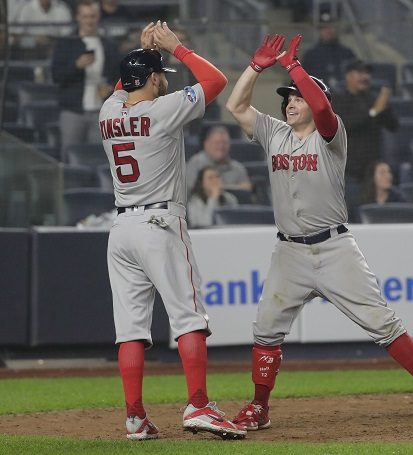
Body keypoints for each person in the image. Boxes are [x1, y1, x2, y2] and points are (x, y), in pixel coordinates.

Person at [225, 33, 413, 430]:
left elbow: (320, 106)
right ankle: (259, 406)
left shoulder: (329, 135)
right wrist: (255, 68)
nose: (290, 103)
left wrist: (294, 67)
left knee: (383, 323)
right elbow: (236, 105)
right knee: (265, 330)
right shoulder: (274, 133)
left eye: (297, 97)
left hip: (334, 247)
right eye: (287, 99)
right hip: (289, 252)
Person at [99, 22, 246, 440]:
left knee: (130, 329)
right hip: (160, 223)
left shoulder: (108, 111)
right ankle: (198, 405)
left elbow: (122, 85)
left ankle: (135, 418)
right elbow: (216, 80)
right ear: (150, 78)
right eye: (159, 74)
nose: (165, 81)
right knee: (189, 318)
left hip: (121, 228)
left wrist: (140, 52)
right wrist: (176, 48)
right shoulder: (163, 110)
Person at [51, 0, 120, 160]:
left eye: (93, 16)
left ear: (98, 17)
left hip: (101, 111)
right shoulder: (66, 43)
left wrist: (111, 87)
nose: (89, 20)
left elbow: (117, 75)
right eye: (85, 16)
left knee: (101, 157)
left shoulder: (108, 45)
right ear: (78, 18)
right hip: (73, 111)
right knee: (69, 157)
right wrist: (76, 65)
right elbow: (56, 76)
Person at [332, 59, 398, 184]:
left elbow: (393, 126)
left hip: (372, 167)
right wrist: (373, 112)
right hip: (348, 169)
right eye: (360, 73)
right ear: (348, 76)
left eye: (367, 73)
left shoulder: (373, 99)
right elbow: (344, 126)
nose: (365, 77)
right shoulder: (338, 100)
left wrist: (385, 107)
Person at [185, 125, 252, 193]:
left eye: (224, 143)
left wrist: (219, 187)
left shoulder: (238, 168)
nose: (221, 147)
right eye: (217, 143)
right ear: (206, 144)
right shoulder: (195, 163)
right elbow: (191, 192)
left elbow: (246, 189)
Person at [301, 12, 356, 88]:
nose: (328, 30)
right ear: (319, 31)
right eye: (324, 27)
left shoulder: (347, 53)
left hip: (344, 96)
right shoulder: (310, 55)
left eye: (331, 27)